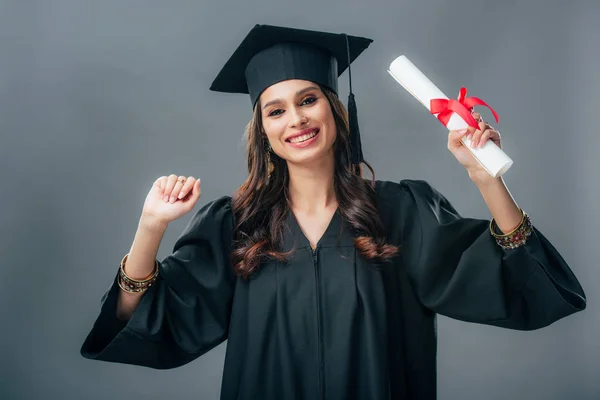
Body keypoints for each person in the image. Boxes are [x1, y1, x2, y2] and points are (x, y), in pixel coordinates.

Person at [80, 24, 586, 400]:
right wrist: (150, 228)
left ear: (334, 111)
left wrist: (486, 180)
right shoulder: (235, 225)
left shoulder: (400, 210)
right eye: (276, 110)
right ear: (264, 131)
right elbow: (148, 321)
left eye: (308, 100)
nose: (295, 119)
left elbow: (516, 280)